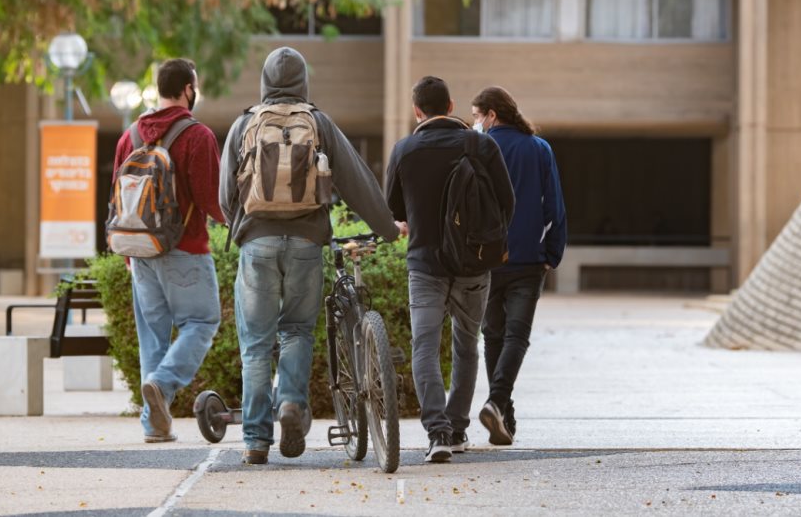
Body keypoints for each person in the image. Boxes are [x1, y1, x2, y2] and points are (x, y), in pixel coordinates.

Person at [220, 46, 399, 466]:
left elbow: (226, 195)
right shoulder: (318, 122)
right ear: (303, 82)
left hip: (257, 243)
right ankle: (291, 405)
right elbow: (355, 180)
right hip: (306, 242)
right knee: (298, 330)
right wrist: (388, 228)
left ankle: (255, 441)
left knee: (256, 345)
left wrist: (246, 227)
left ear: (264, 81)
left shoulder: (245, 123)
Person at [385, 76, 514, 462]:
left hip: (425, 264)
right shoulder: (481, 144)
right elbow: (506, 203)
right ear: (452, 105)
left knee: (424, 346)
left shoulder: (405, 150)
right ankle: (458, 429)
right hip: (474, 265)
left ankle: (437, 433)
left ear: (417, 111)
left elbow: (394, 210)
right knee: (465, 344)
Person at [112, 58, 225, 443]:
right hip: (185, 248)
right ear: (188, 89)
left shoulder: (130, 135)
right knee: (203, 321)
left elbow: (117, 200)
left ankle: (154, 424)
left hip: (140, 251)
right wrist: (239, 222)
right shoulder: (198, 135)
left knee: (153, 337)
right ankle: (163, 383)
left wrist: (129, 255)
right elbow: (212, 200)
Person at [470, 86, 567, 446]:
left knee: (492, 334)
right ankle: (499, 405)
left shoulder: (478, 150)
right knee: (516, 335)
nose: (476, 122)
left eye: (478, 115)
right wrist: (551, 254)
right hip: (529, 258)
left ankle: (502, 411)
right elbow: (554, 205)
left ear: (493, 115)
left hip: (487, 259)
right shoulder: (539, 149)